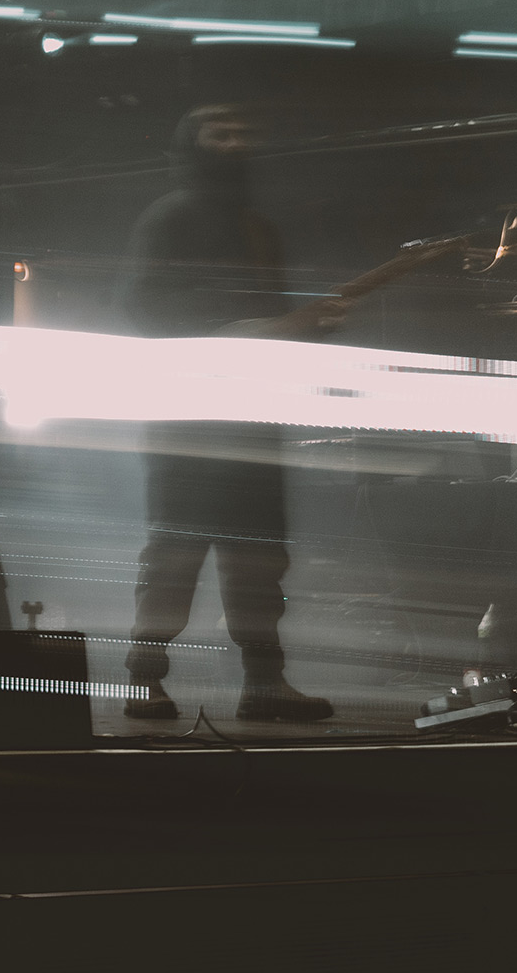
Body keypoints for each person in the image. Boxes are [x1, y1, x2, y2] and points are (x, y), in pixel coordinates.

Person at [118, 104, 343, 724]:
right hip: (187, 419)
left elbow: (271, 322)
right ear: (191, 146)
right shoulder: (168, 219)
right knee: (175, 555)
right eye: (221, 133)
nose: (236, 143)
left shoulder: (257, 228)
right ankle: (144, 680)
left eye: (244, 132)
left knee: (259, 560)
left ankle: (264, 685)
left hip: (250, 419)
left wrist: (303, 329)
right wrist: (245, 329)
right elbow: (144, 306)